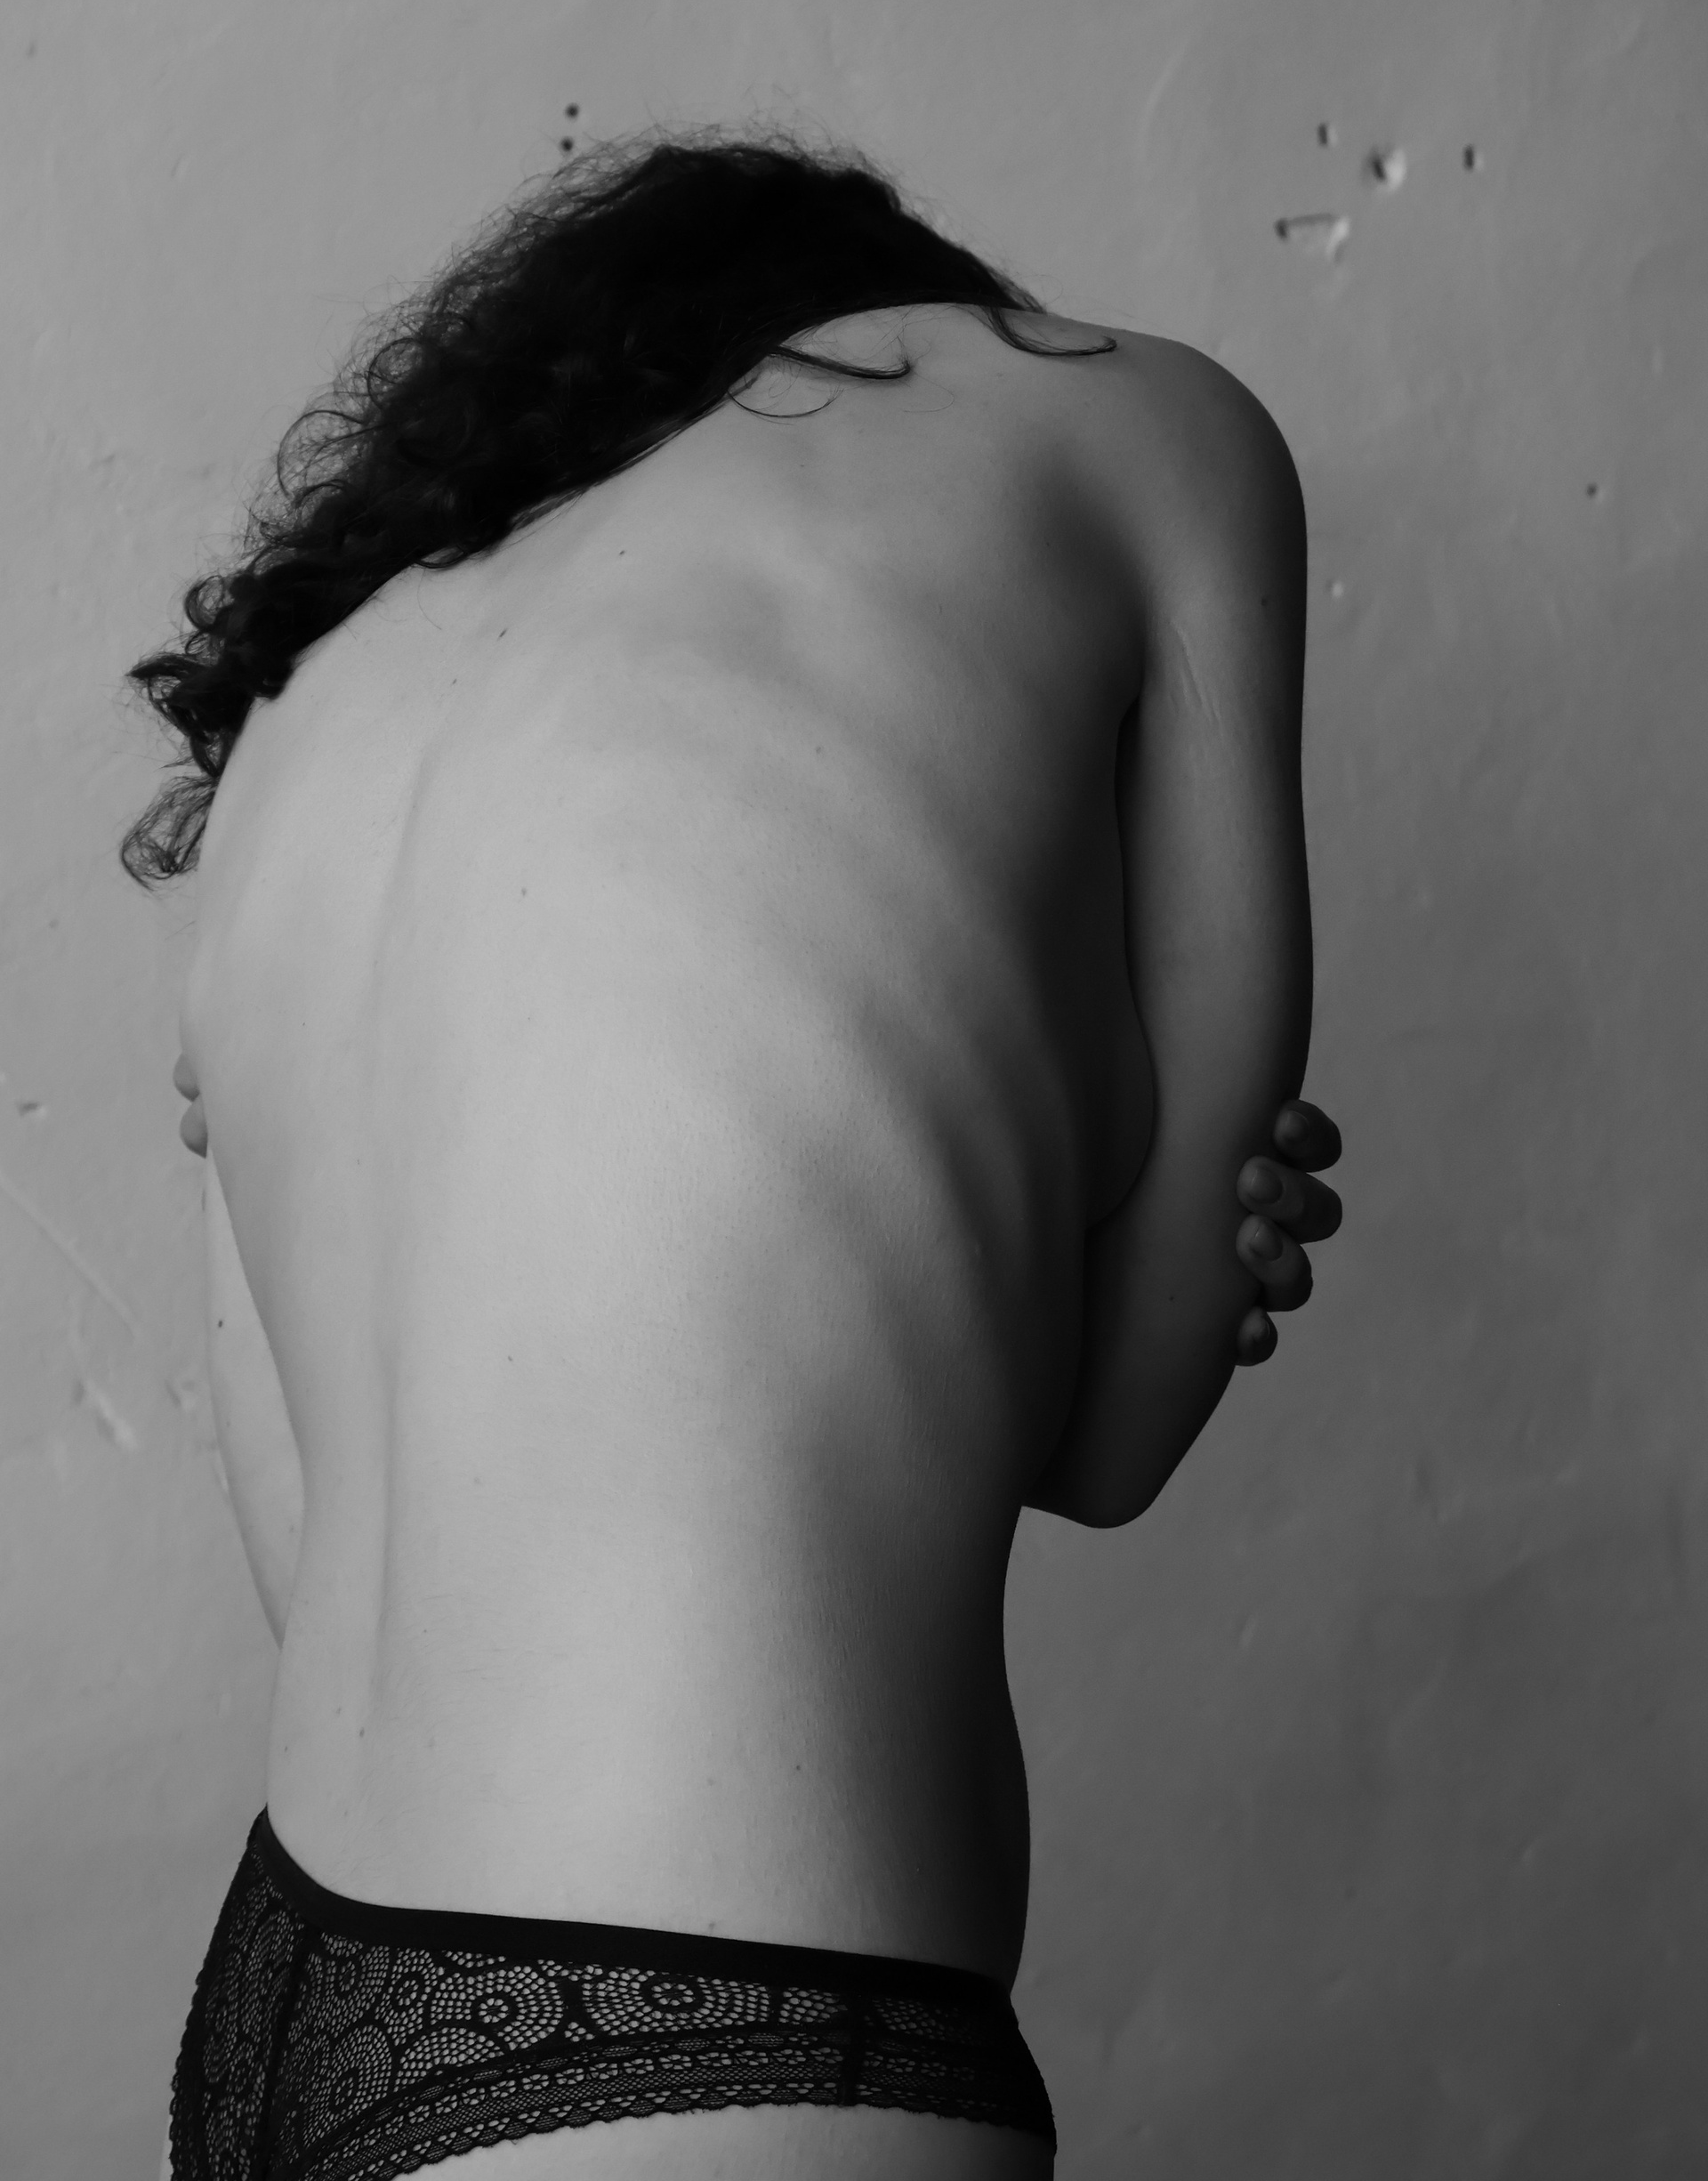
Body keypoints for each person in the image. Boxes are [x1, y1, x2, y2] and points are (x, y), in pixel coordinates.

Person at [129, 128, 1342, 2181]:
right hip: (722, 2018)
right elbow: (1115, 1434)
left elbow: (325, 1542)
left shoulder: (323, 694)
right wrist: (1077, 1171)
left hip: (287, 1998)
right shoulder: (1137, 425)